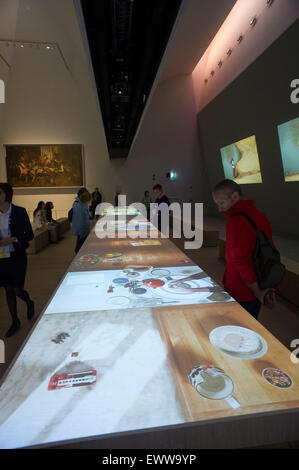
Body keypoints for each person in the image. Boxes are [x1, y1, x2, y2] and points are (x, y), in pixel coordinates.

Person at [212, 179, 276, 319]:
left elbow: (241, 262)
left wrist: (257, 291)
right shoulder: (260, 215)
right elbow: (269, 253)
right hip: (259, 282)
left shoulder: (236, 222)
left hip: (241, 290)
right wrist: (266, 286)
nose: (220, 209)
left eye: (221, 203)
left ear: (234, 196)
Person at [0, 183, 35, 338]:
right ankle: (15, 321)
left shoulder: (19, 212)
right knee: (7, 289)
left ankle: (28, 302)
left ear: (6, 194)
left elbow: (29, 234)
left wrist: (14, 239)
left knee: (17, 289)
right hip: (2, 257)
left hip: (17, 256)